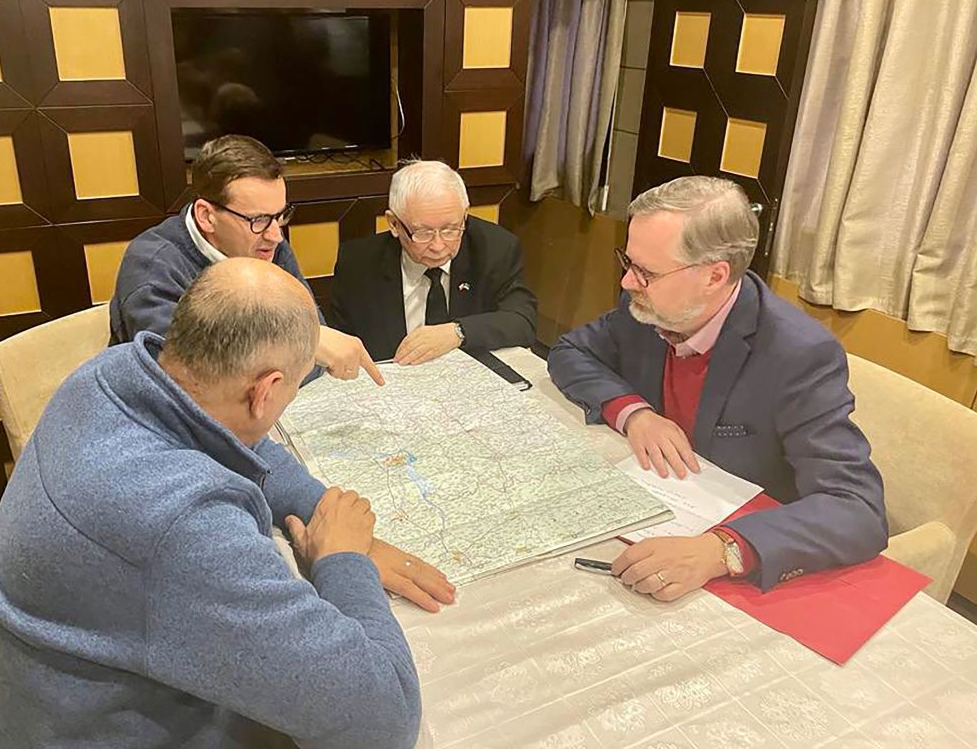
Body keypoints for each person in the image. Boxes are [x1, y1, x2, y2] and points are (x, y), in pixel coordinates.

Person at [0, 258, 439, 749]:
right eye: (295, 387)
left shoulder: (110, 376)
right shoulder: (185, 529)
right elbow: (384, 722)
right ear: (266, 392)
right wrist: (342, 560)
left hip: (45, 704)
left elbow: (233, 438)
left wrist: (322, 507)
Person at [548, 176, 888, 600]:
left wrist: (720, 551)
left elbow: (858, 509)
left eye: (646, 272)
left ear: (714, 276)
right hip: (655, 511)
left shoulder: (799, 355)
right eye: (628, 262)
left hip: (739, 550)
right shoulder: (648, 305)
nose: (627, 283)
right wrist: (635, 413)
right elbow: (569, 351)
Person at [109, 134, 381, 385]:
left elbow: (314, 354)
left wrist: (304, 350)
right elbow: (188, 381)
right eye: (259, 219)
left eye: (280, 215)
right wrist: (301, 347)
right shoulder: (153, 265)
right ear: (206, 216)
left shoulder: (266, 243)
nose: (276, 235)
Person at [329, 160, 537, 363]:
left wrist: (457, 332)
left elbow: (522, 321)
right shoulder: (358, 264)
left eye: (450, 229)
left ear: (464, 216)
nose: (438, 246)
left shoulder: (495, 248)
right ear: (394, 224)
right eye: (423, 232)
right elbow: (338, 343)